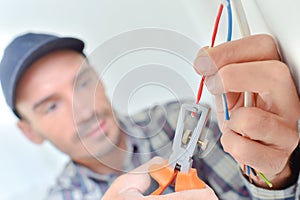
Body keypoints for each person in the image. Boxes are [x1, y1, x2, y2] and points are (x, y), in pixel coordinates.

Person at [0, 32, 299, 200]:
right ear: (30, 132)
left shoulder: (180, 122)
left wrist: (273, 175)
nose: (84, 110)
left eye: (83, 83)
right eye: (51, 106)